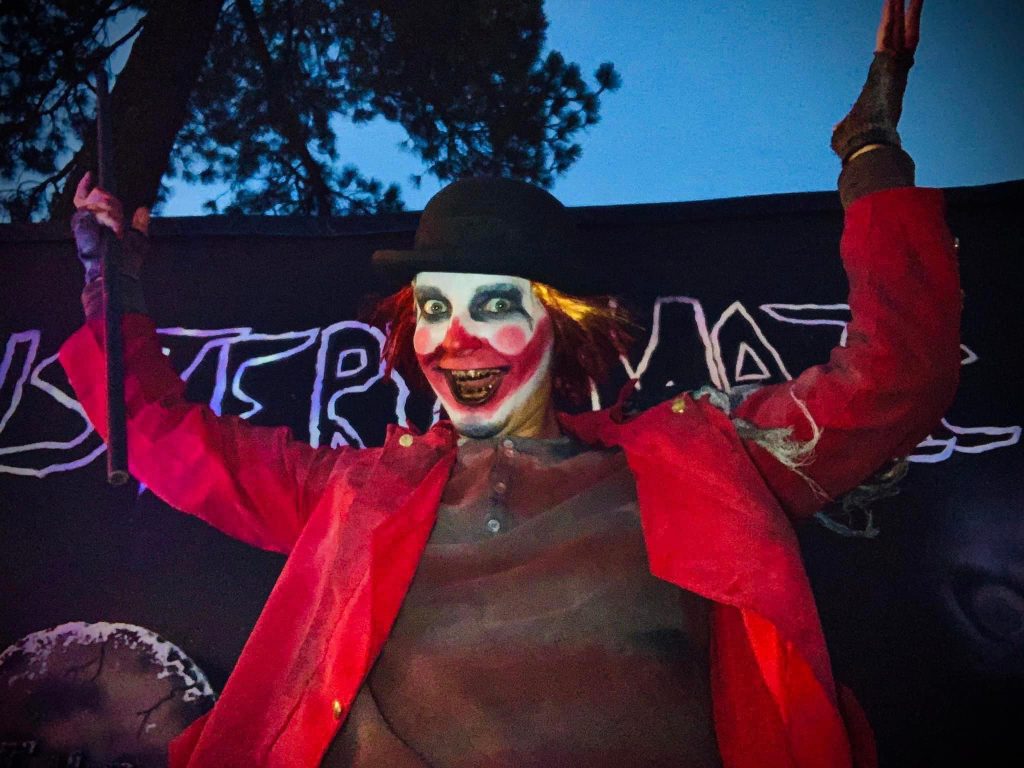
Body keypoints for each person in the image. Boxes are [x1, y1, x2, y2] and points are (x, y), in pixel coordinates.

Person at [60, 1, 959, 766]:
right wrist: (114, 283)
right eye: (435, 309)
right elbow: (158, 435)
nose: (456, 340)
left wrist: (872, 154)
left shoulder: (696, 463)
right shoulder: (354, 492)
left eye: (492, 303)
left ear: (558, 320)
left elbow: (895, 376)